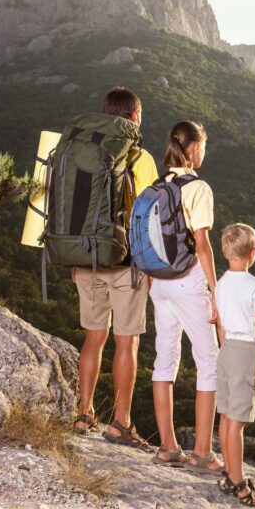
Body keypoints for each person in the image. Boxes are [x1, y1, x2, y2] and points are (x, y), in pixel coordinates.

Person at [71, 87, 158, 452]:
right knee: (128, 341)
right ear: (135, 116)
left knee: (94, 337)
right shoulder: (140, 156)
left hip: (87, 257)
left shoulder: (80, 150)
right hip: (127, 262)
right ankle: (120, 422)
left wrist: (74, 259)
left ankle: (83, 412)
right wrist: (150, 265)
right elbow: (149, 216)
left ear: (105, 113)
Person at [148, 121, 224, 474]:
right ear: (194, 149)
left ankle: (167, 446)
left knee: (165, 359)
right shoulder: (198, 188)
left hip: (158, 281)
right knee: (208, 362)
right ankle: (203, 452)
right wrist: (215, 291)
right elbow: (204, 246)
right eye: (204, 146)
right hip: (188, 279)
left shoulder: (156, 185)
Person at [215, 223, 255, 507]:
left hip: (226, 350)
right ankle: (239, 483)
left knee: (226, 417)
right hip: (247, 352)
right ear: (252, 253)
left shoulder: (220, 283)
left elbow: (220, 323)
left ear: (226, 251)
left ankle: (229, 473)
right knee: (237, 423)